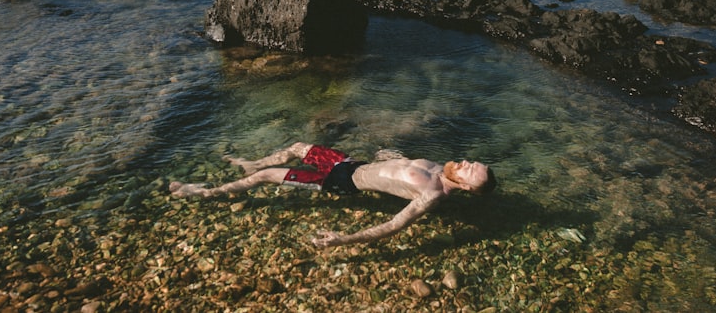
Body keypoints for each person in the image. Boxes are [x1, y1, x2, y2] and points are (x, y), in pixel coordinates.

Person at [169, 141, 496, 247]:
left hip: (342, 183)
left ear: (465, 187)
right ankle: (250, 163)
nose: (466, 162)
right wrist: (386, 153)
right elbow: (398, 165)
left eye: (470, 170)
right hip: (351, 163)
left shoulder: (433, 193)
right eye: (471, 162)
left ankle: (206, 193)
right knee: (298, 146)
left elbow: (395, 225)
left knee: (268, 177)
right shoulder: (443, 166)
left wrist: (344, 238)